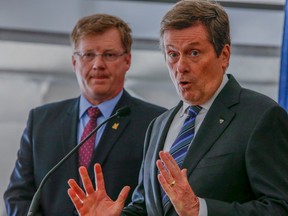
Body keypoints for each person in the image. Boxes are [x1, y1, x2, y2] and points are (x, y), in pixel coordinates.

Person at [67, 0, 288, 215]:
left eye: (193, 53)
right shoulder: (159, 124)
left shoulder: (262, 116)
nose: (181, 67)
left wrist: (200, 210)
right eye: (173, 54)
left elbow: (280, 207)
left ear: (224, 55)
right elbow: (146, 207)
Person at [3, 14, 166, 215]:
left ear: (127, 60)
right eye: (88, 55)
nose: (98, 64)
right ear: (74, 62)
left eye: (109, 54)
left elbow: (158, 202)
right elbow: (18, 195)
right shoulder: (41, 120)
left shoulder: (156, 123)